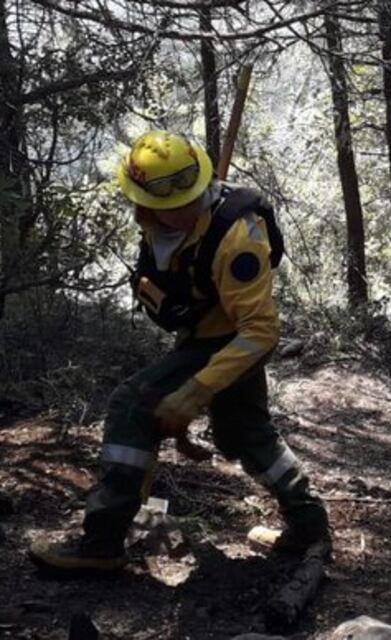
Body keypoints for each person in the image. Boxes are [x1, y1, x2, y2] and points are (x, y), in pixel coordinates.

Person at [29, 131, 330, 573]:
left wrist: (193, 392)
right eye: (148, 204)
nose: (148, 214)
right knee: (243, 431)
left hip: (232, 342)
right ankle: (309, 525)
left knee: (133, 405)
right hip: (202, 334)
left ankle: (102, 543)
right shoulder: (159, 221)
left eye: (172, 205)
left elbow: (260, 331)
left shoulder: (239, 239)